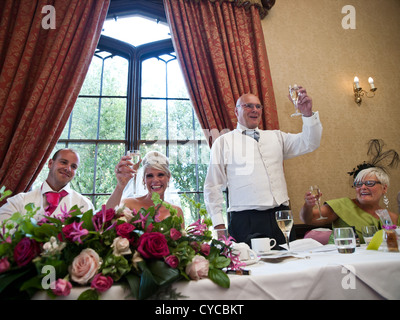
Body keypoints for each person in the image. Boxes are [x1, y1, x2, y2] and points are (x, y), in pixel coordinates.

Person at [204, 88, 323, 247]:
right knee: (254, 269)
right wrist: (219, 226)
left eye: (258, 106)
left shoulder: (277, 137)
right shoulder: (223, 142)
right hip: (245, 220)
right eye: (248, 106)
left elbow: (310, 143)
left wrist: (307, 114)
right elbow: (212, 186)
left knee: (291, 265)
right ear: (236, 111)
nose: (254, 110)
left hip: (282, 217)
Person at [300, 167, 400, 243]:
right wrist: (308, 205)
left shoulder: (392, 218)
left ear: (384, 188)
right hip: (341, 263)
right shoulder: (343, 205)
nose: (363, 187)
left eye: (370, 183)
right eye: (358, 184)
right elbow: (309, 218)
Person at [0, 148, 94, 223]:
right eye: (63, 162)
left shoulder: (85, 205)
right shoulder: (18, 202)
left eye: (73, 166)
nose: (68, 169)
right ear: (50, 163)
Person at [106, 151, 184, 223]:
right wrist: (120, 187)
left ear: (168, 177)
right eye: (150, 176)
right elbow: (106, 221)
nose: (155, 180)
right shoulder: (129, 204)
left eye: (160, 175)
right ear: (143, 180)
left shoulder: (177, 211)